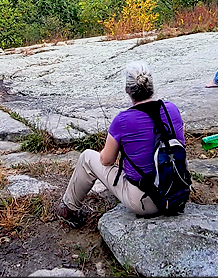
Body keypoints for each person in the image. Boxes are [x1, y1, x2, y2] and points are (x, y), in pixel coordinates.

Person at [58, 61, 184, 228]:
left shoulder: (122, 120)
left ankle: (69, 209)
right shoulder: (172, 109)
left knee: (87, 157)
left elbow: (106, 160)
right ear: (152, 87)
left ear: (127, 90)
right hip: (176, 192)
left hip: (145, 202)